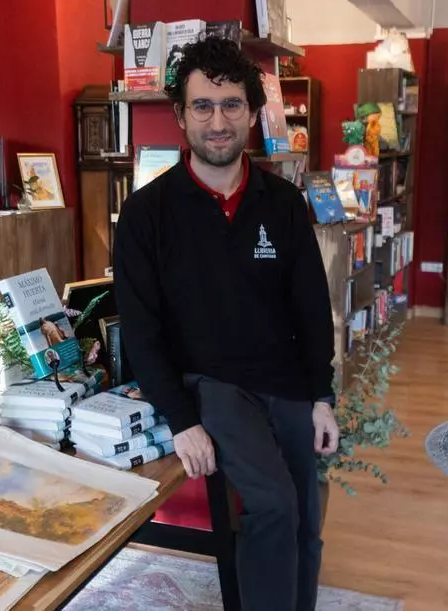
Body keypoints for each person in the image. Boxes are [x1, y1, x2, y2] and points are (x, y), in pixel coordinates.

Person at [112, 36, 339, 611]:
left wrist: (321, 396)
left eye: (232, 104)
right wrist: (182, 420)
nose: (218, 122)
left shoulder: (283, 203)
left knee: (306, 514)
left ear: (253, 113)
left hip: (285, 381)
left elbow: (311, 306)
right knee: (274, 505)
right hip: (211, 385)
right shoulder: (145, 214)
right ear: (181, 115)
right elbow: (141, 330)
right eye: (203, 106)